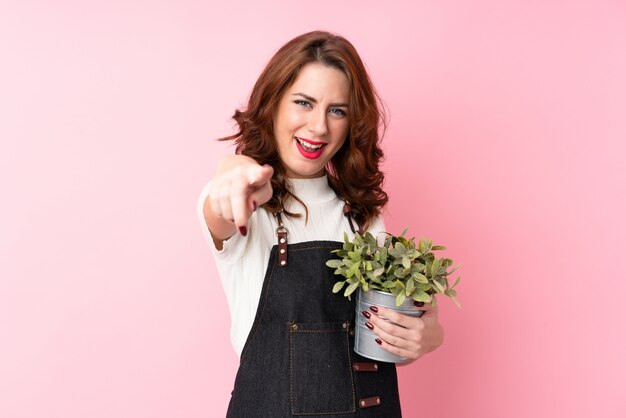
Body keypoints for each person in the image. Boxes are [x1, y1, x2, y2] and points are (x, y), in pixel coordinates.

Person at [197, 31, 444, 417]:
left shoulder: (362, 216)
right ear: (273, 105)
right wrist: (232, 172)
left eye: (337, 110)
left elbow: (383, 339)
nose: (318, 127)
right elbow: (221, 209)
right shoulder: (245, 201)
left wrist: (426, 335)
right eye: (303, 103)